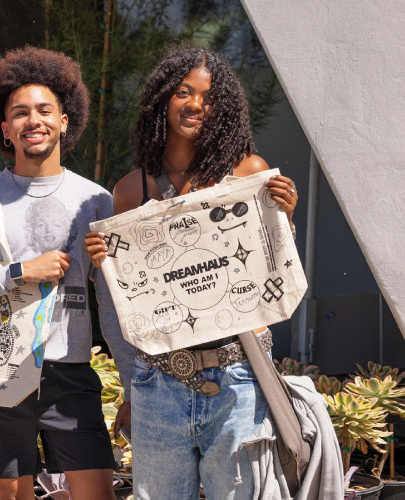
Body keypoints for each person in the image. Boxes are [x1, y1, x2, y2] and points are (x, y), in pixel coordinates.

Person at [85, 46, 298, 500]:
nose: (196, 104)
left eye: (209, 96)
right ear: (163, 99)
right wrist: (104, 260)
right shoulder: (130, 189)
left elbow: (270, 268)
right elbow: (130, 298)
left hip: (237, 375)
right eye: (184, 91)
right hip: (158, 381)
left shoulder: (248, 172)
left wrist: (284, 217)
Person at [0, 47, 135, 500]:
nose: (34, 120)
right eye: (20, 113)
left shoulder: (97, 202)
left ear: (66, 120)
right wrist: (21, 271)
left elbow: (115, 307)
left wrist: (132, 385)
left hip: (71, 374)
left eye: (45, 110)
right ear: (5, 128)